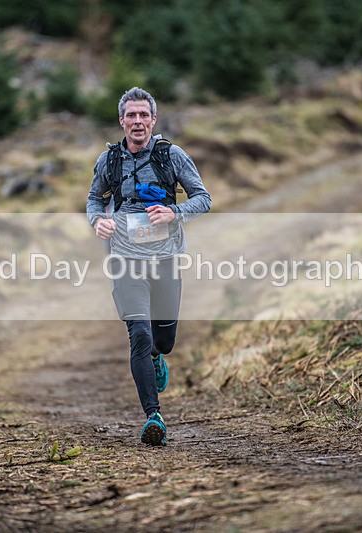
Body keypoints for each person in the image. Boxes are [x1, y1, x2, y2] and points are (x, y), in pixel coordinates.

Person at [86, 87, 211, 446]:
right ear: (121, 121)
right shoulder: (108, 160)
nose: (137, 121)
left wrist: (175, 211)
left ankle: (158, 355)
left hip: (166, 258)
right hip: (125, 259)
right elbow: (95, 198)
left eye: (144, 115)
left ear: (153, 120)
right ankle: (153, 416)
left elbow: (204, 198)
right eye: (131, 116)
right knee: (139, 334)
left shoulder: (172, 156)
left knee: (164, 340)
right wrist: (98, 221)